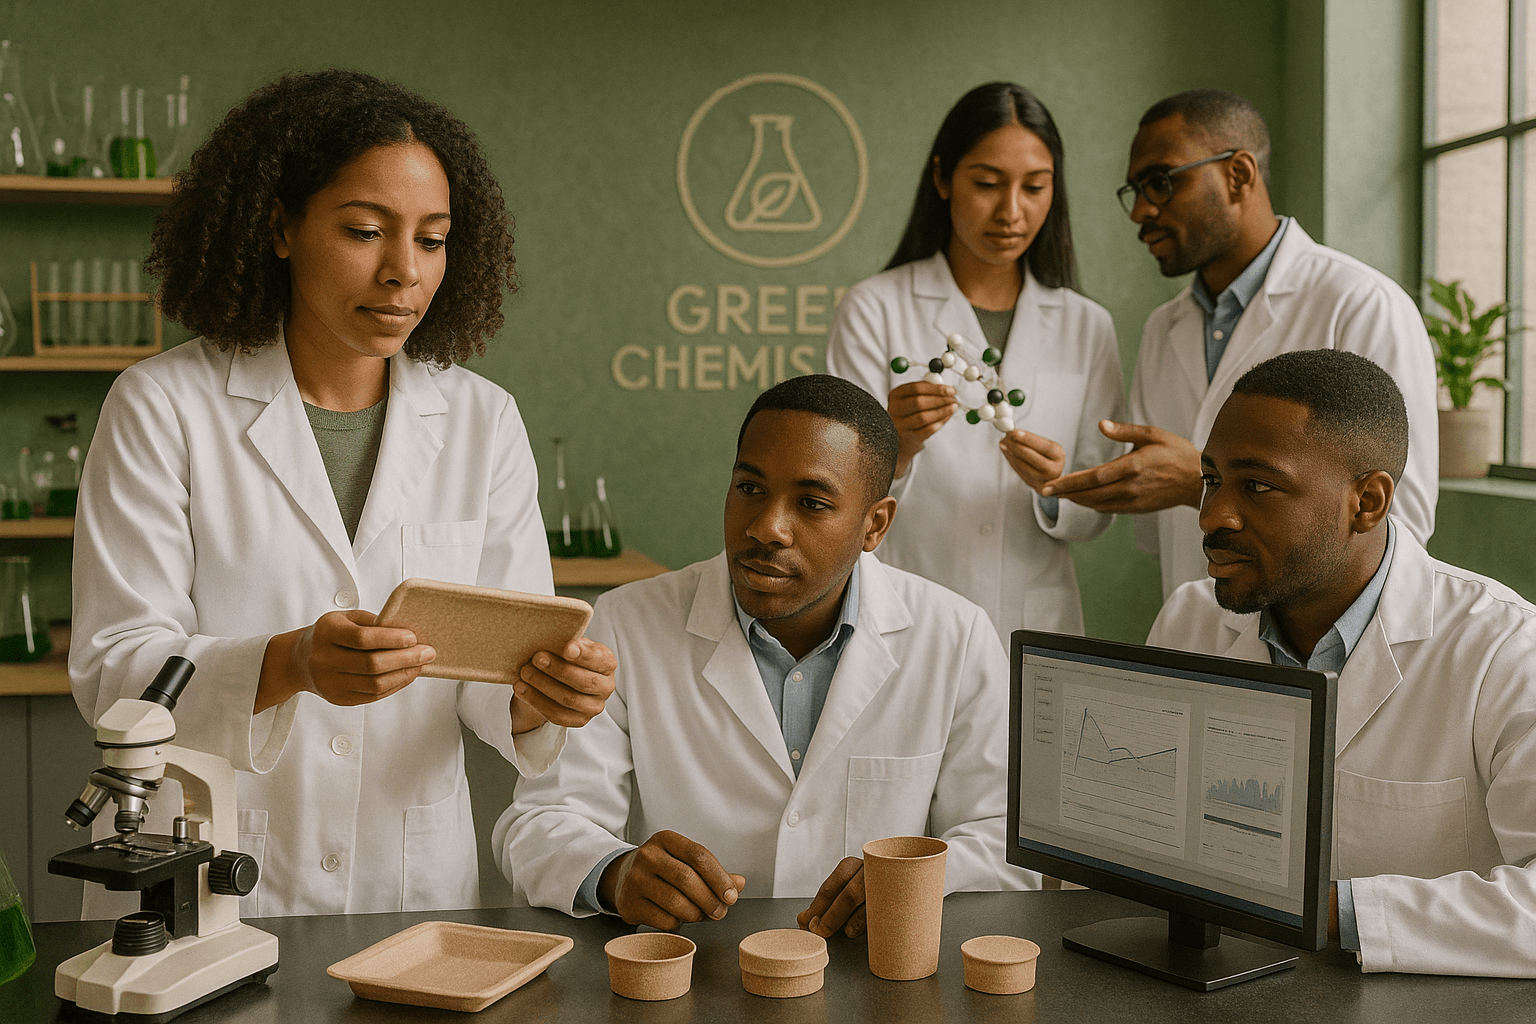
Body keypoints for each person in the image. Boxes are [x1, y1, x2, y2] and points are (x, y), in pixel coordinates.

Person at [69, 70, 616, 917]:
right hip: (203, 875)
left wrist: (536, 696)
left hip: (406, 891)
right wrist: (286, 664)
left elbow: (491, 666)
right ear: (280, 227)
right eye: (365, 230)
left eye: (432, 240)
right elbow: (115, 671)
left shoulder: (483, 420)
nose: (404, 271)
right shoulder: (162, 406)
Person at [498, 375, 1032, 936]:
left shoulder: (956, 636)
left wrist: (913, 879)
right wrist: (616, 872)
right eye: (749, 489)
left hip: (873, 977)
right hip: (693, 975)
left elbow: (1001, 837)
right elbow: (541, 821)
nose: (766, 528)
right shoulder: (626, 623)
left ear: (874, 524)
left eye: (812, 503)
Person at [1148, 349, 1536, 976]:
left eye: (1259, 486)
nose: (1212, 516)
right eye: (1211, 478)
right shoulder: (1190, 621)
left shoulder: (1505, 652)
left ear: (1368, 501)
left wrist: (1327, 912)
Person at [1041, 89, 1437, 600]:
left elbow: (1403, 521)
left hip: (1317, 645)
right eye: (1135, 190)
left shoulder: (1362, 305)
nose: (1140, 210)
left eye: (1161, 182)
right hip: (1198, 634)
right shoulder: (1164, 329)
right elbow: (1158, 536)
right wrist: (1066, 484)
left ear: (1239, 174)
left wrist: (1197, 480)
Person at [826, 82, 1125, 639]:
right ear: (943, 178)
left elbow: (1098, 501)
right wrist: (898, 446)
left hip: (1034, 624)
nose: (1011, 211)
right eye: (987, 184)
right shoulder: (875, 308)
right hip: (908, 612)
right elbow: (834, 486)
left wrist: (1058, 487)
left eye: (1035, 187)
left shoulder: (1087, 325)